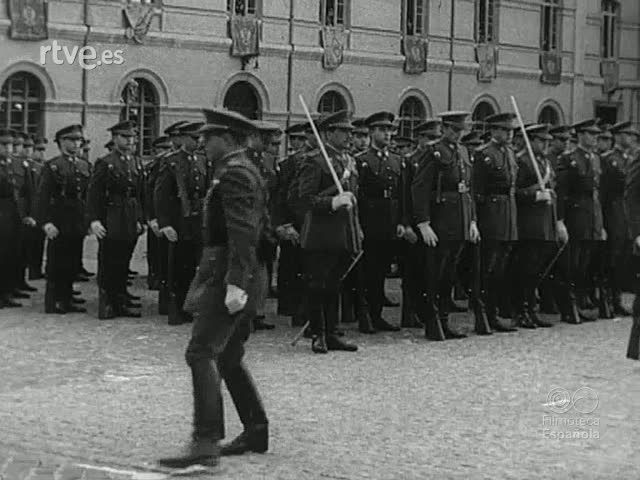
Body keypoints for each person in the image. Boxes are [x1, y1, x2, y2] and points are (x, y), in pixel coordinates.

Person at [158, 109, 270, 469]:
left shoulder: (234, 173)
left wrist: (236, 283)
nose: (202, 142)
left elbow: (243, 232)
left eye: (210, 137)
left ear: (229, 138)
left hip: (229, 275)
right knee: (228, 354)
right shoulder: (242, 169)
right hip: (239, 273)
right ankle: (255, 429)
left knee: (201, 352)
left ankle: (206, 442)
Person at [296, 110, 360, 353]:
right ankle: (318, 334)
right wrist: (332, 202)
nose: (349, 136)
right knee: (317, 284)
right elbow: (304, 199)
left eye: (350, 131)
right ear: (328, 133)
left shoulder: (348, 160)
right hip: (320, 232)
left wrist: (357, 227)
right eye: (343, 131)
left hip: (344, 231)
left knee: (335, 284)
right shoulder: (314, 160)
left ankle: (332, 332)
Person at [412, 111, 480, 339]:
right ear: (443, 129)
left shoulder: (463, 152)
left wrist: (472, 220)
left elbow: (469, 189)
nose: (457, 134)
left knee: (449, 274)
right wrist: (423, 223)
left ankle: (443, 320)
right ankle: (432, 322)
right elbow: (420, 188)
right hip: (440, 221)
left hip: (459, 220)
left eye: (460, 130)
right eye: (453, 129)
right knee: (435, 274)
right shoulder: (434, 152)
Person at [86, 120, 143, 319]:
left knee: (124, 260)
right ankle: (107, 303)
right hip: (111, 215)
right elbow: (94, 193)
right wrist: (94, 220)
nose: (129, 141)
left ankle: (120, 299)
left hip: (129, 215)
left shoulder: (135, 161)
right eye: (125, 137)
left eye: (132, 137)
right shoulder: (105, 162)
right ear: (115, 138)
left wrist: (140, 218)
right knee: (109, 261)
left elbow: (139, 193)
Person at [512, 124, 567, 328]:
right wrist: (534, 194)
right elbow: (514, 192)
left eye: (547, 141)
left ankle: (531, 310)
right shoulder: (522, 161)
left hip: (545, 223)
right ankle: (521, 311)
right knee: (526, 270)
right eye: (541, 141)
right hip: (529, 223)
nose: (545, 145)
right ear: (531, 141)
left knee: (536, 271)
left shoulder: (544, 162)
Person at [154, 121, 209, 325]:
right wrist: (165, 223)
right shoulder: (171, 161)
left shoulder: (203, 160)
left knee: (196, 265)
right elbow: (161, 195)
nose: (199, 141)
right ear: (184, 138)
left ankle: (190, 306)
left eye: (200, 138)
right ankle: (176, 309)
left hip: (198, 221)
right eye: (195, 138)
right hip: (179, 221)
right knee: (178, 267)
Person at [472, 112, 520, 332]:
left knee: (500, 268)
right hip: (491, 216)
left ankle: (493, 313)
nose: (509, 134)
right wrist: (477, 221)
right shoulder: (484, 154)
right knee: (487, 268)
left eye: (511, 130)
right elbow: (477, 192)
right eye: (504, 130)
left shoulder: (509, 153)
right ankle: (482, 314)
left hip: (508, 214)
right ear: (493, 130)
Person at [356, 111, 403, 332]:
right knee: (367, 271)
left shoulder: (396, 161)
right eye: (382, 130)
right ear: (371, 132)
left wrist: (401, 221)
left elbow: (401, 194)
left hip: (389, 221)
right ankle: (364, 315)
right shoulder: (362, 161)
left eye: (389, 130)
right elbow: (358, 195)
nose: (387, 134)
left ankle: (377, 314)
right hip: (370, 221)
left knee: (382, 270)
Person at [35, 124, 89, 314]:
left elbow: (87, 196)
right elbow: (42, 197)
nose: (76, 144)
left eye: (79, 140)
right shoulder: (53, 166)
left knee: (73, 260)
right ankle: (54, 300)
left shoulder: (83, 165)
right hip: (58, 219)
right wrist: (46, 222)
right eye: (72, 140)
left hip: (77, 219)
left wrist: (89, 220)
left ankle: (67, 296)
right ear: (61, 142)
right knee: (57, 262)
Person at [555, 119, 605, 324]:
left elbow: (597, 192)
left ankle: (579, 302)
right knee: (571, 264)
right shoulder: (569, 159)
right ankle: (568, 306)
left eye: (596, 135)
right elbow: (561, 192)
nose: (595, 138)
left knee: (584, 264)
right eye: (591, 134)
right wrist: (560, 220)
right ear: (581, 135)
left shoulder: (595, 159)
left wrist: (600, 224)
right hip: (575, 216)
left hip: (591, 217)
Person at [602, 121, 636, 316]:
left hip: (626, 216)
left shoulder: (630, 159)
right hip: (613, 213)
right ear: (617, 136)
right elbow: (604, 193)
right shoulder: (609, 159)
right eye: (627, 135)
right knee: (611, 259)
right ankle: (607, 299)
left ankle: (617, 299)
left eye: (632, 135)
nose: (630, 138)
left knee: (623, 258)